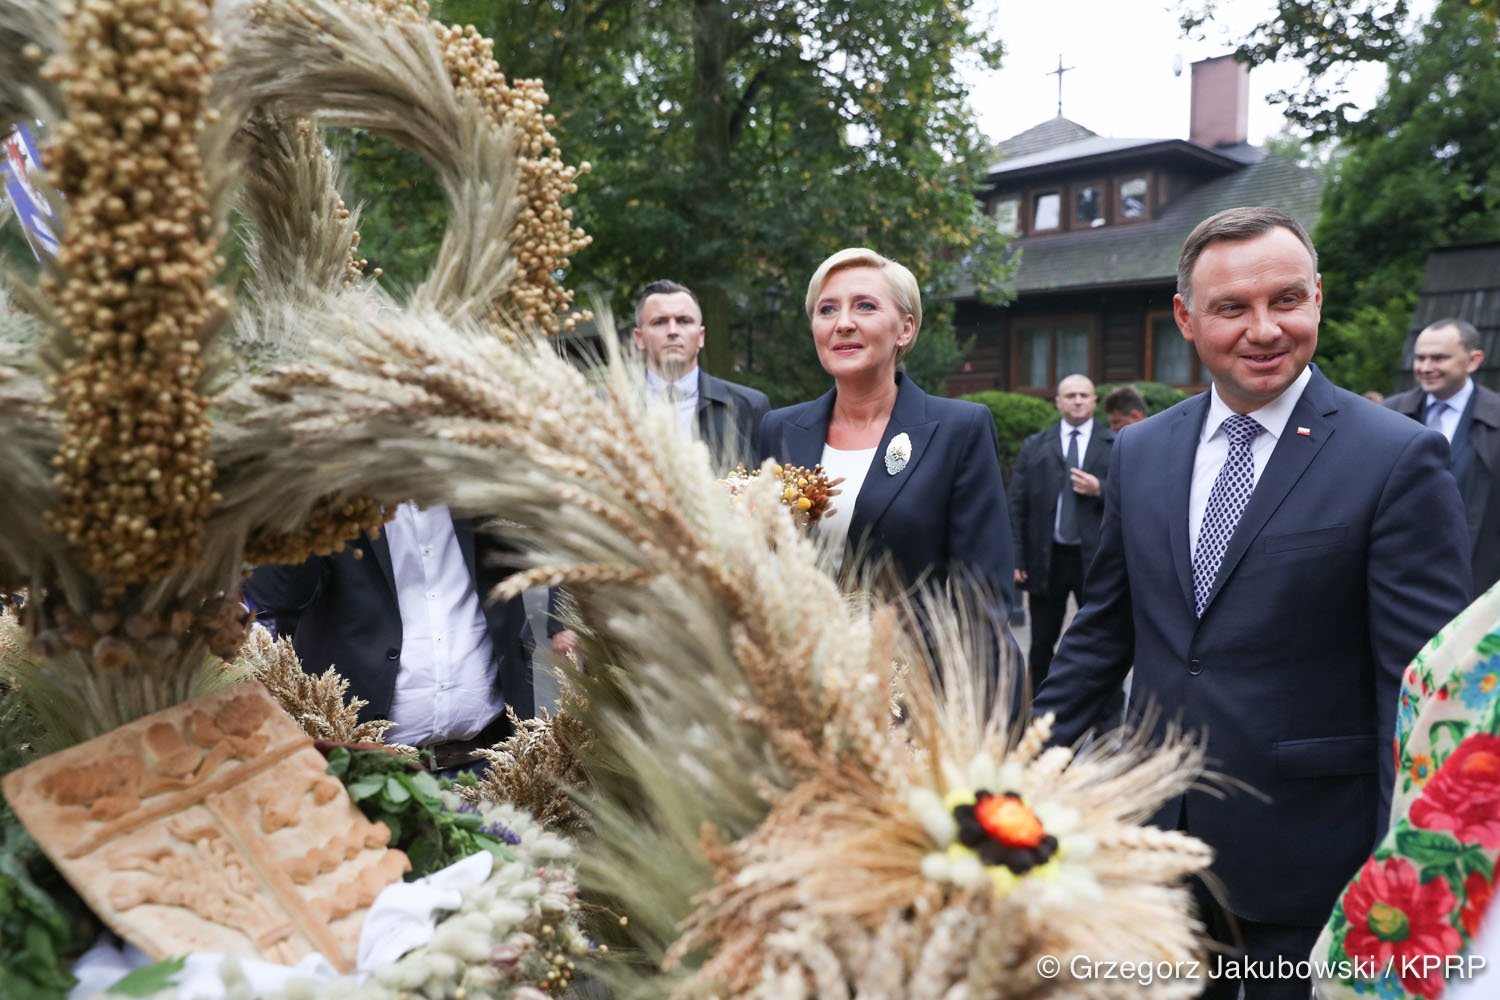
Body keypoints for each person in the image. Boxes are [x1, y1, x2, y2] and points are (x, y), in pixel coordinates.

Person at [1033, 207, 1472, 999]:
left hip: (1314, 866)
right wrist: (1014, 779)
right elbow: (1101, 638)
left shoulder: (1397, 459)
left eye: (1287, 300)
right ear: (1187, 319)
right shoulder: (1140, 451)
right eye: (1233, 308)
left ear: (1318, 299)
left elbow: (1417, 690)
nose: (1265, 330)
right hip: (1155, 852)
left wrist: (1401, 866)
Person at [757, 247, 1016, 618]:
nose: (842, 323)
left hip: (906, 669)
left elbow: (982, 596)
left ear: (905, 329)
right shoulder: (779, 429)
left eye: (865, 306)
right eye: (827, 309)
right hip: (794, 666)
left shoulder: (959, 430)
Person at [548, 279, 771, 661]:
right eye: (659, 322)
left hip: (725, 611)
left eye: (683, 321)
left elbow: (770, 508)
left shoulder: (747, 407)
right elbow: (573, 511)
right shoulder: (599, 410)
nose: (672, 330)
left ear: (700, 336)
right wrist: (563, 617)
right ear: (638, 337)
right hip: (625, 607)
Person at [246, 506, 536, 774]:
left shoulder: (474, 475)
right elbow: (277, 595)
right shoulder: (333, 493)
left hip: (490, 758)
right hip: (365, 770)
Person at [1009, 374, 1114, 690]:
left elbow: (1135, 497)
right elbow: (1017, 505)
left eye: (1084, 395)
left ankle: (1103, 713)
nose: (1078, 400)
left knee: (1101, 641)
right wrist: (1017, 557)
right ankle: (1040, 711)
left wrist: (1101, 490)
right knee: (1041, 643)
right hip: (1047, 558)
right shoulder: (1035, 446)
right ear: (1058, 402)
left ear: (1095, 401)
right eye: (1070, 395)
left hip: (1095, 560)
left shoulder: (1114, 444)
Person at [1384, 317, 1499, 596]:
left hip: (1479, 579)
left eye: (1439, 358)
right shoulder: (1388, 415)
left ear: (1473, 361)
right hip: (1400, 578)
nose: (1425, 368)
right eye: (1420, 358)